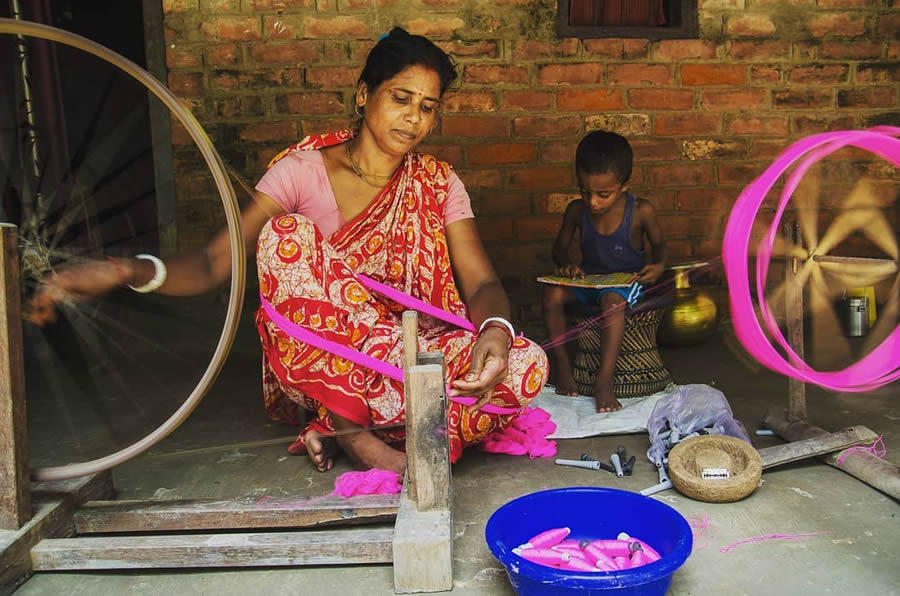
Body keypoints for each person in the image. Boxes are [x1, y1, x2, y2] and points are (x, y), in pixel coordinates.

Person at [29, 28, 548, 475]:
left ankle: (348, 425)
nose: (413, 118)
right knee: (285, 235)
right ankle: (354, 430)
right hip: (324, 367)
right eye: (400, 97)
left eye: (427, 107)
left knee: (528, 365)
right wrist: (123, 269)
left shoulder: (437, 182)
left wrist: (496, 334)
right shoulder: (301, 171)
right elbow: (214, 262)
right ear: (364, 94)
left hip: (412, 363)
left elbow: (480, 282)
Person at [541, 130, 665, 413]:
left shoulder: (641, 211)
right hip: (588, 283)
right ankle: (563, 366)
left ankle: (604, 381)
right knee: (551, 295)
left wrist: (657, 267)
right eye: (585, 192)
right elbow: (559, 250)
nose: (593, 202)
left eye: (603, 194)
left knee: (612, 303)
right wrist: (566, 265)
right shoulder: (576, 211)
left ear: (624, 185)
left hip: (624, 285)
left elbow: (661, 248)